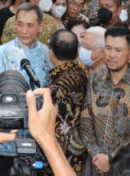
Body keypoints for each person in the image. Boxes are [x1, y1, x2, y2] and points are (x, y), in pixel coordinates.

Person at [80, 26, 130, 174]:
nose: (111, 55)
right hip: (94, 164)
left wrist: (111, 158)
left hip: (125, 166)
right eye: (108, 48)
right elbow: (85, 119)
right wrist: (96, 153)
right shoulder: (95, 78)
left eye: (118, 50)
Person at [48, 28, 88, 173]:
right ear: (77, 50)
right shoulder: (80, 73)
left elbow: (60, 129)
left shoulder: (59, 86)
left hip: (63, 157)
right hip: (80, 151)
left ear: (51, 51)